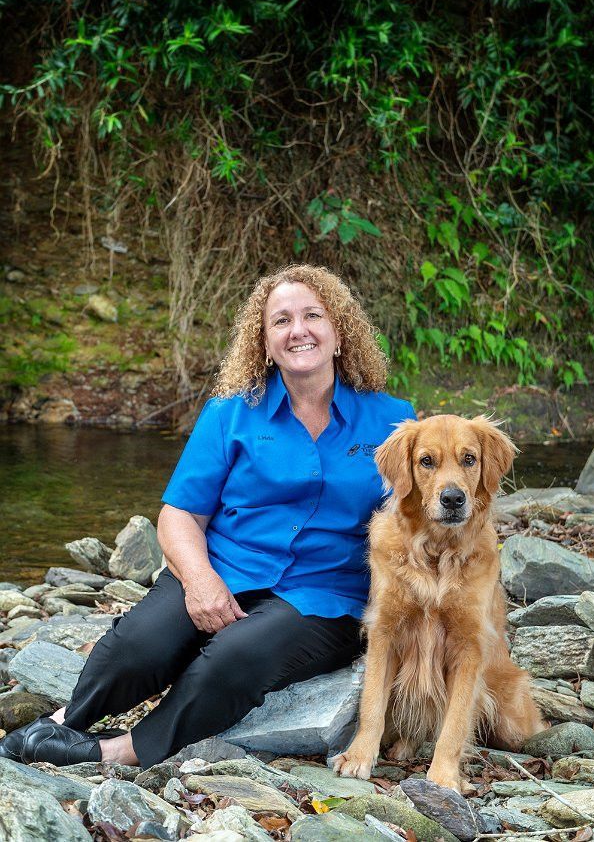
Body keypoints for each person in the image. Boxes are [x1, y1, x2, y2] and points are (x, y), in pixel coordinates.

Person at [0, 264, 416, 769]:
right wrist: (199, 581)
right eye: (281, 321)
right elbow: (179, 514)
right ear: (264, 344)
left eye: (312, 316)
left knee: (230, 661)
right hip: (223, 567)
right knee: (138, 645)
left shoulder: (395, 421)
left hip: (324, 595)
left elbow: (414, 518)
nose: (298, 330)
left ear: (339, 333)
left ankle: (119, 751)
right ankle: (66, 723)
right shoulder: (230, 413)